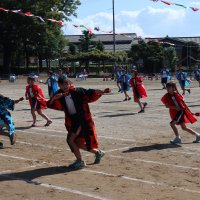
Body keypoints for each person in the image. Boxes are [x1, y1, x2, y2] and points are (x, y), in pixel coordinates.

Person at [47, 76, 108, 170]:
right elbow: (49, 104)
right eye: (62, 84)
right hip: (72, 121)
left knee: (70, 140)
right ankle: (97, 152)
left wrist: (101, 92)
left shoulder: (77, 91)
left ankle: (80, 161)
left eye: (66, 83)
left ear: (69, 83)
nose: (65, 86)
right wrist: (55, 98)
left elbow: (90, 93)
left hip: (81, 119)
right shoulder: (59, 93)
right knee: (77, 143)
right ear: (59, 85)